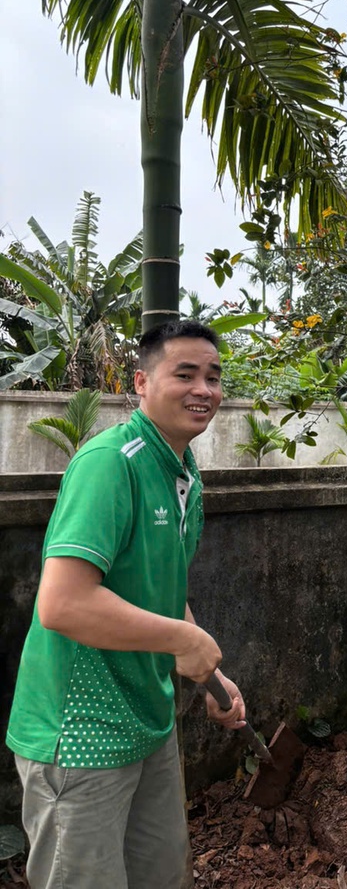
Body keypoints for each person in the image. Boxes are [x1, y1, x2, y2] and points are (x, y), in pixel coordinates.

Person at [6, 320, 246, 889]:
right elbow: (62, 604)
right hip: (81, 733)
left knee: (162, 875)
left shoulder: (184, 471)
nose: (203, 390)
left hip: (148, 722)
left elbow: (162, 593)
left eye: (213, 377)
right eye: (183, 374)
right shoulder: (111, 462)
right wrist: (181, 642)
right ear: (141, 382)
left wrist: (214, 673)